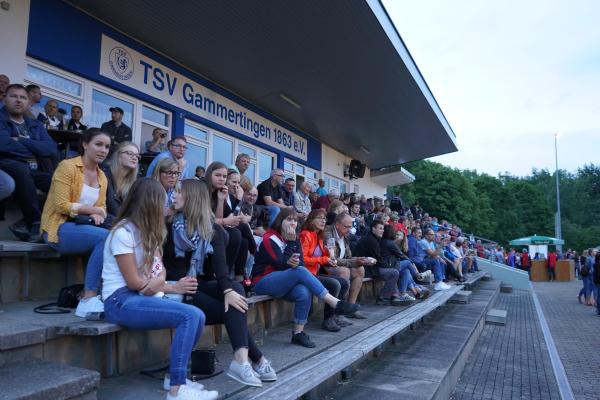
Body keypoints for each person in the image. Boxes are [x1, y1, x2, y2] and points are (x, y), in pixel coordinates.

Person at [101, 178, 218, 400]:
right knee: (190, 316)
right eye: (161, 202)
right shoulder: (122, 232)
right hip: (119, 301)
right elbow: (135, 283)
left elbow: (159, 270)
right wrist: (165, 285)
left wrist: (157, 282)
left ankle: (171, 378)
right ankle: (177, 389)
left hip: (140, 295)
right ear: (149, 203)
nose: (166, 206)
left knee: (199, 316)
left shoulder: (148, 232)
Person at [163, 179, 276, 387]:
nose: (174, 196)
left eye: (179, 192)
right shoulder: (168, 226)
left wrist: (227, 290)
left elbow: (221, 270)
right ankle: (256, 358)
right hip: (174, 289)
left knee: (236, 289)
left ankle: (242, 360)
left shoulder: (211, 229)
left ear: (192, 198)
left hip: (200, 285)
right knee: (233, 306)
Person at [252, 208, 358, 348]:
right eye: (289, 220)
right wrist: (291, 247)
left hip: (284, 281)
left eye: (295, 220)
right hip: (263, 281)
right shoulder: (269, 238)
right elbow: (280, 265)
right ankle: (335, 303)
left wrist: (293, 247)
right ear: (280, 221)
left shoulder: (293, 239)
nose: (293, 223)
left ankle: (298, 333)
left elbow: (299, 263)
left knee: (303, 291)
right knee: (300, 272)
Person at [41, 128, 111, 317]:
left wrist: (98, 214)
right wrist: (93, 211)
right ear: (85, 144)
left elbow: (102, 207)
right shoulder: (67, 166)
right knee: (106, 238)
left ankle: (105, 294)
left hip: (83, 227)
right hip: (58, 227)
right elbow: (61, 205)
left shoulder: (102, 176)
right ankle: (88, 298)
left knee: (112, 236)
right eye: (98, 144)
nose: (103, 150)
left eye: (107, 146)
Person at [0, 84, 57, 242]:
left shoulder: (35, 125)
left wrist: (21, 141)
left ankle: (32, 223)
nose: (18, 100)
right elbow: (4, 144)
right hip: (6, 165)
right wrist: (36, 148)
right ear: (5, 98)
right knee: (20, 170)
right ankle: (34, 221)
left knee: (58, 182)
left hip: (33, 169)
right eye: (14, 96)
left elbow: (51, 149)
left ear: (28, 102)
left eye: (22, 97)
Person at [300, 209, 352, 332]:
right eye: (319, 218)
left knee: (344, 283)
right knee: (334, 284)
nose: (323, 220)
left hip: (316, 272)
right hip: (306, 274)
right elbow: (303, 259)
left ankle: (336, 315)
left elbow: (326, 257)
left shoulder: (320, 236)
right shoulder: (305, 234)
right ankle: (327, 320)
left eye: (324, 218)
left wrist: (330, 255)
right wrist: (324, 259)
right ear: (311, 220)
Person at [205, 162, 251, 279]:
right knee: (235, 233)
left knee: (244, 241)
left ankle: (237, 277)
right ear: (210, 174)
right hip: (202, 226)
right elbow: (205, 220)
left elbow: (219, 218)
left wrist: (220, 200)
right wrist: (226, 221)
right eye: (218, 175)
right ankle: (222, 274)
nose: (221, 179)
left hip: (216, 226)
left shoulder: (220, 192)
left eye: (224, 177)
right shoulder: (202, 189)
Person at [323, 212, 369, 319]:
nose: (349, 229)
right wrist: (354, 262)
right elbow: (333, 259)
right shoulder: (328, 233)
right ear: (337, 224)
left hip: (337, 265)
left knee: (360, 269)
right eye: (346, 226)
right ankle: (339, 312)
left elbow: (348, 257)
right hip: (324, 265)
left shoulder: (344, 235)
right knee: (345, 271)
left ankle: (350, 308)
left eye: (350, 226)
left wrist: (360, 259)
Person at [353, 220, 405, 305]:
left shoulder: (372, 239)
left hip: (369, 267)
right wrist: (389, 266)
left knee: (394, 270)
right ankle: (384, 297)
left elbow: (378, 259)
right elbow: (378, 260)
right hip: (365, 269)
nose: (383, 231)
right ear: (373, 229)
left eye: (383, 229)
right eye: (380, 228)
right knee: (394, 272)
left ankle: (395, 296)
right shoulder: (372, 240)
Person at [101, 142, 140, 218]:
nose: (134, 158)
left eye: (137, 156)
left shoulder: (134, 183)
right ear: (118, 155)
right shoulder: (104, 174)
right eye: (129, 153)